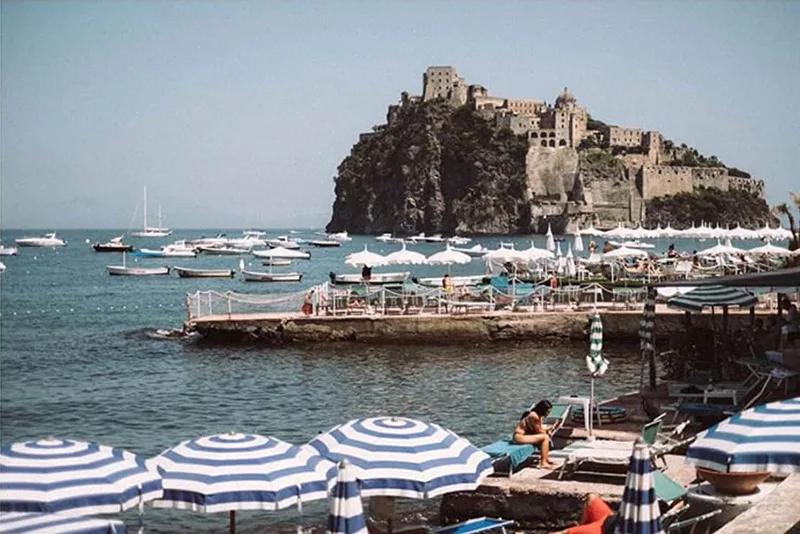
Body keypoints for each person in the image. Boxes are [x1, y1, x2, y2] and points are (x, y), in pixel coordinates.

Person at [513, 399, 557, 469]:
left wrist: (549, 429)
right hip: (519, 437)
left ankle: (546, 459)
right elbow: (539, 431)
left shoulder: (539, 416)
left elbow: (539, 429)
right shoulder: (534, 416)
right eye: (548, 411)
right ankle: (543, 462)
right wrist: (548, 431)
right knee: (545, 438)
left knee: (545, 437)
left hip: (525, 436)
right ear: (543, 410)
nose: (549, 413)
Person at [549, 493, 617, 534]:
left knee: (565, 533)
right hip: (608, 518)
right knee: (591, 497)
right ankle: (581, 526)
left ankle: (580, 528)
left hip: (601, 531)